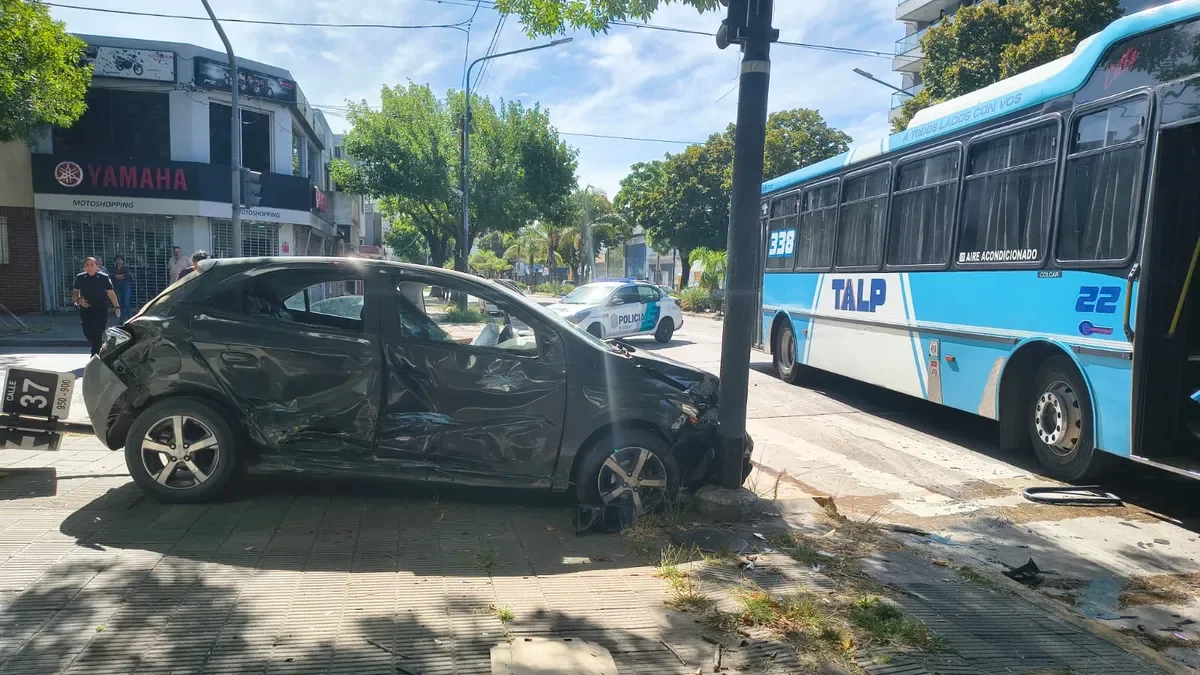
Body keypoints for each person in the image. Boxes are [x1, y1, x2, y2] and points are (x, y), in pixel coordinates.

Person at [73, 257, 120, 356]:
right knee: (89, 333)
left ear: (97, 266)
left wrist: (117, 306)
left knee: (98, 333)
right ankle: (98, 347)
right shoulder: (80, 277)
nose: (89, 267)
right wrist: (78, 300)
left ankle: (95, 355)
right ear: (84, 267)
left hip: (100, 309)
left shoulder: (103, 277)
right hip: (86, 309)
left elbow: (111, 293)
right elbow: (75, 292)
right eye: (87, 265)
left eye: (92, 264)